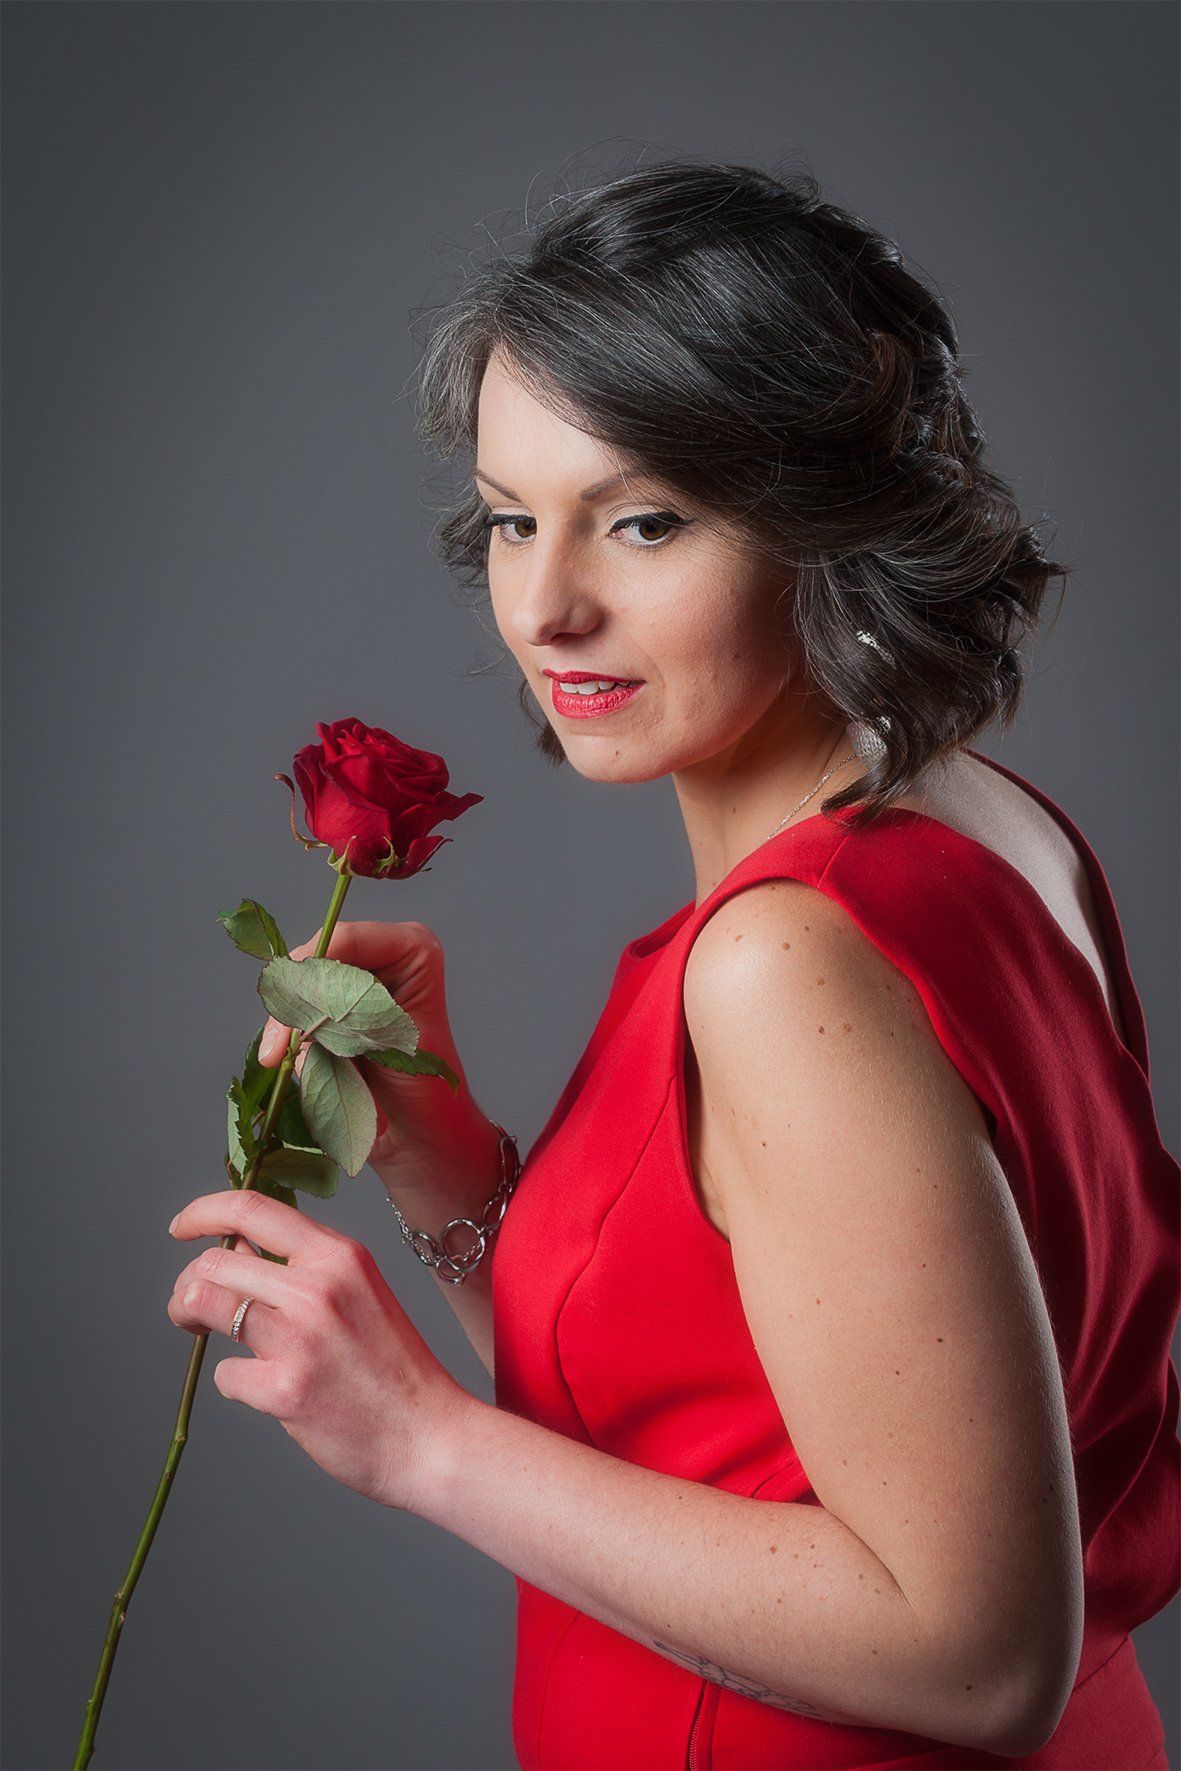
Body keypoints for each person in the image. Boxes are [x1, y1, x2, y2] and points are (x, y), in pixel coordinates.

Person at [166, 158, 1180, 1769]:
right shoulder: (984, 825)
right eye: (514, 520)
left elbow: (978, 1654)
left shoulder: (785, 960)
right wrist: (446, 1167)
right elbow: (716, 1423)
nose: (544, 607)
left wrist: (421, 1443)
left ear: (821, 517)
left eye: (644, 521)